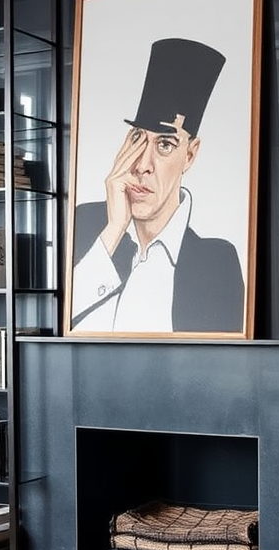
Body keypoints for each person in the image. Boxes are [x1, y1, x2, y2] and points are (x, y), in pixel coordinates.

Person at [69, 36, 245, 334]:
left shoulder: (216, 260)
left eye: (165, 144)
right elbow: (57, 321)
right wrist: (113, 231)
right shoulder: (87, 224)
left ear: (189, 154)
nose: (142, 164)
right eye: (138, 138)